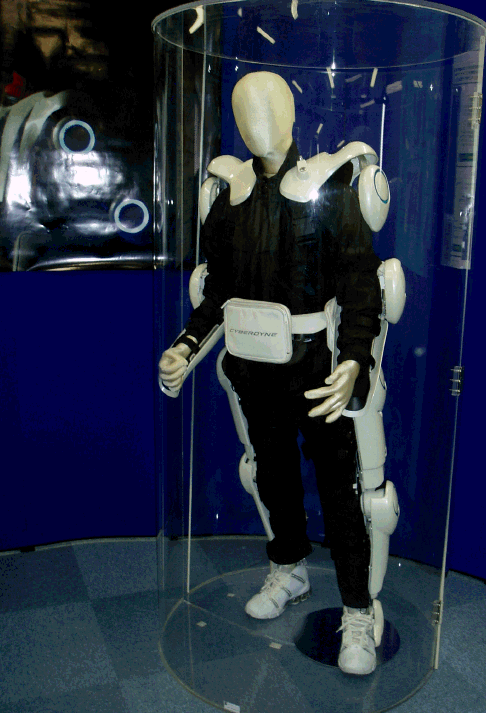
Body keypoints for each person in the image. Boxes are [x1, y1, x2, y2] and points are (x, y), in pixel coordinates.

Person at [159, 71, 383, 675]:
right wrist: (186, 344)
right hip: (254, 366)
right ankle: (289, 567)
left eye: (269, 106)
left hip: (317, 366)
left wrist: (354, 358)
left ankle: (358, 610)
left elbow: (361, 284)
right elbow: (218, 290)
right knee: (274, 475)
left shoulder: (329, 187)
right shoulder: (230, 199)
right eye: (245, 110)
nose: (257, 120)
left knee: (340, 491)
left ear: (290, 115)